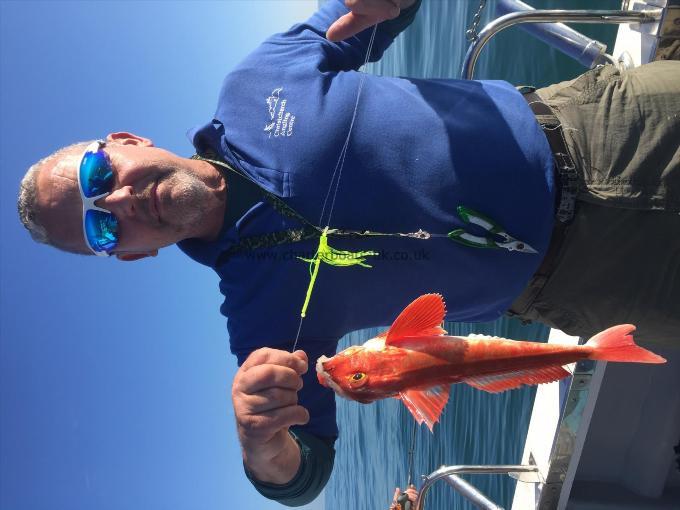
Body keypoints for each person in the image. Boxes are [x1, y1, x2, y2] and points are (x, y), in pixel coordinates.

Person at [16, 0, 680, 506]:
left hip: (608, 127)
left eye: (98, 179)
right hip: (598, 282)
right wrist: (263, 449)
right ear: (131, 257)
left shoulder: (255, 83)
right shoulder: (259, 319)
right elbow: (307, 469)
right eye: (103, 230)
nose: (121, 205)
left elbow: (383, 9)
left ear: (126, 141)